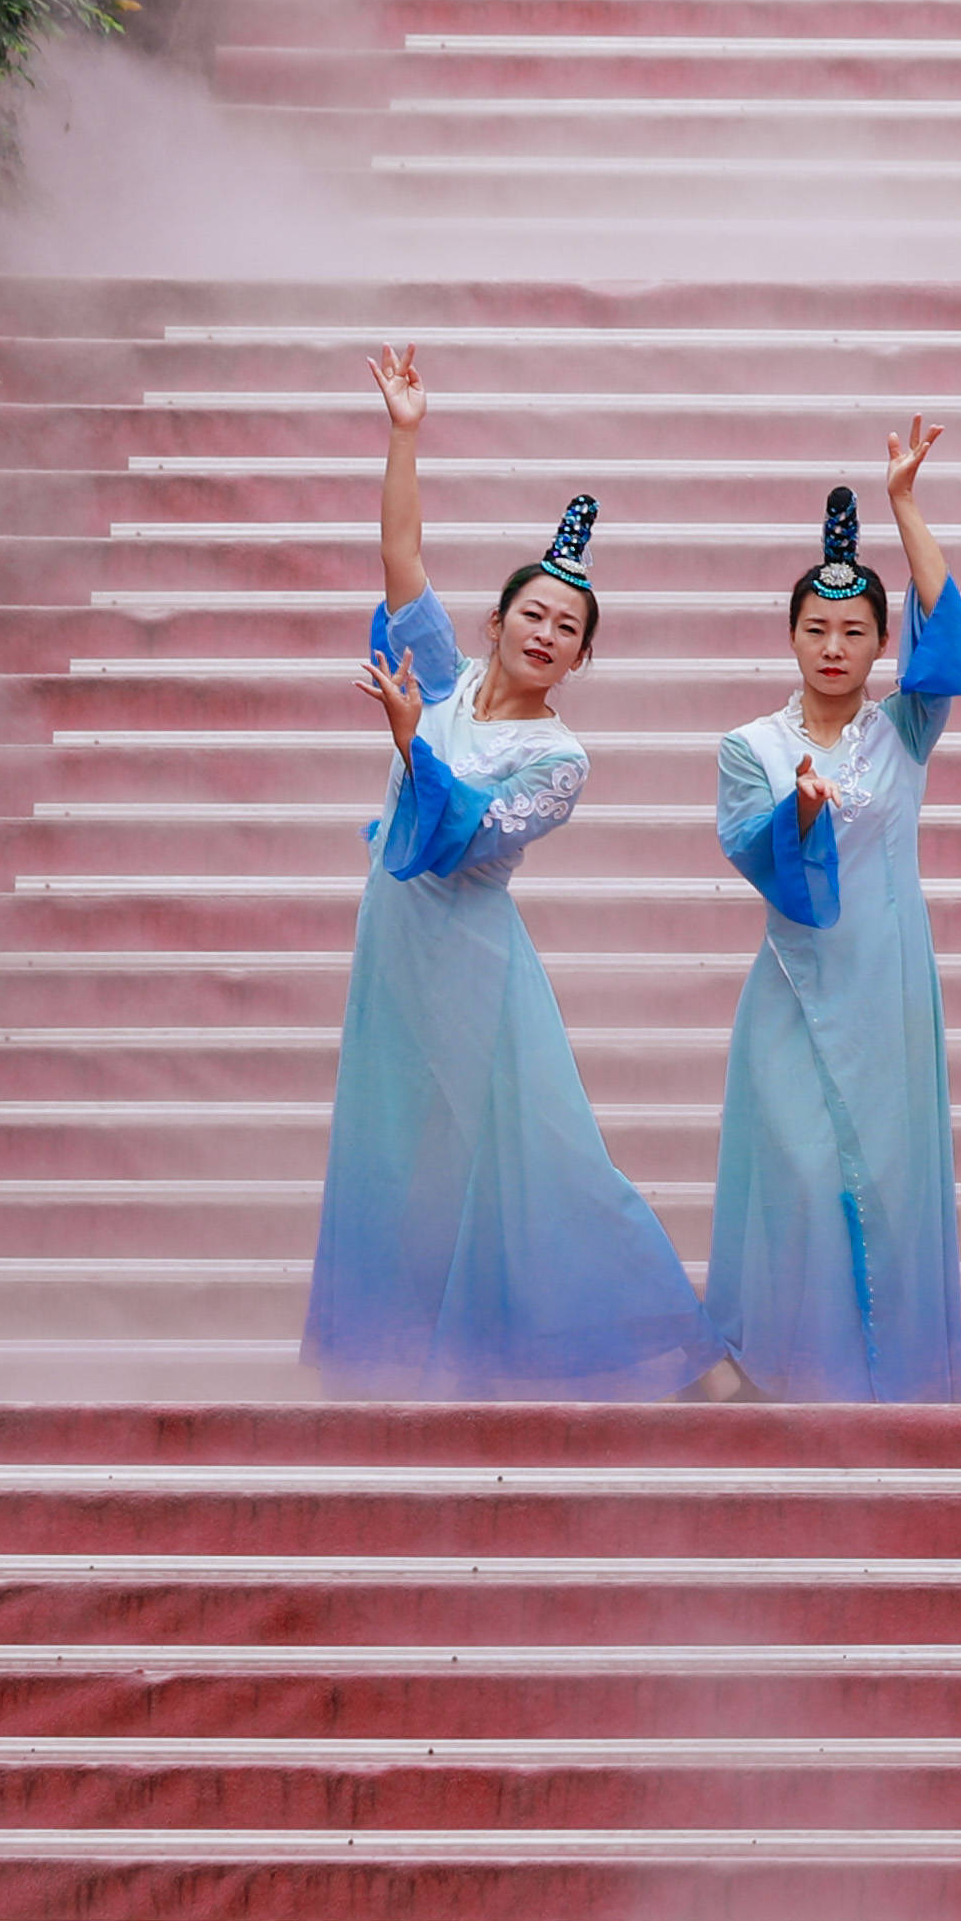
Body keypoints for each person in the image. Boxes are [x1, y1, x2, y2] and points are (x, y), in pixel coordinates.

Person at [303, 346, 716, 1401]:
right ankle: (416, 1354)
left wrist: (409, 745)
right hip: (394, 942)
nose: (546, 632)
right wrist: (405, 432)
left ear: (580, 658)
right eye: (533, 613)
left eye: (568, 628)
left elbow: (469, 834)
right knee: (401, 1150)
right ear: (495, 623)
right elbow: (402, 553)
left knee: (548, 1157)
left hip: (477, 962)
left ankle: (682, 1347)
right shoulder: (439, 678)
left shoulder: (558, 757)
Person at [703, 425, 961, 1402]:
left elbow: (948, 636)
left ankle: (879, 1371)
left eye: (855, 630)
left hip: (887, 976)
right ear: (790, 634)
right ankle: (772, 1359)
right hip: (792, 978)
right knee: (793, 1167)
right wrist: (800, 812)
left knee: (887, 1180)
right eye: (816, 630)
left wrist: (905, 506)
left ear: (879, 640)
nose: (834, 647)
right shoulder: (751, 744)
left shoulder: (905, 725)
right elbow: (751, 849)